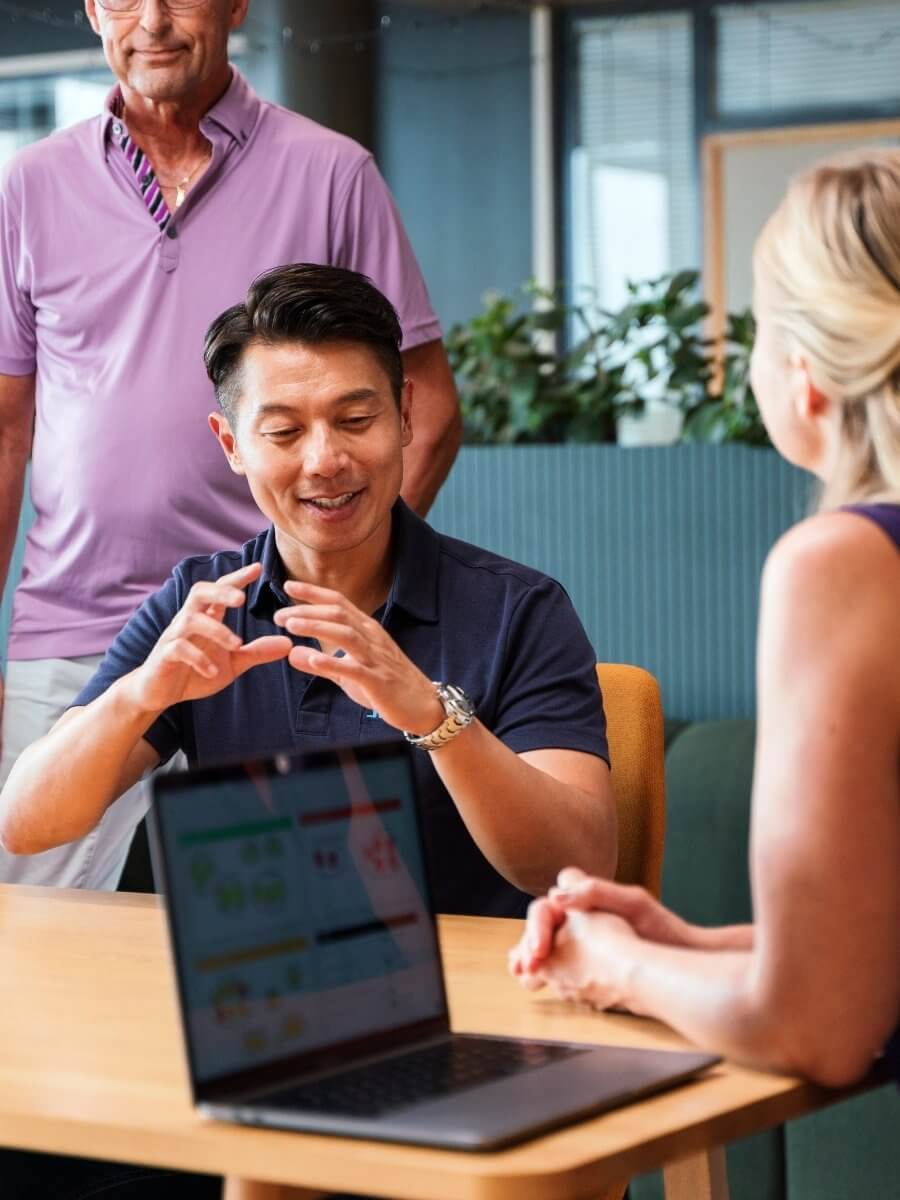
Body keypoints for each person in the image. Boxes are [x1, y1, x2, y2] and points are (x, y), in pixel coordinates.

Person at [0, 0, 461, 890]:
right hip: (69, 639)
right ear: (94, 9)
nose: (156, 19)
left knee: (281, 948)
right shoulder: (30, 185)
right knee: (36, 945)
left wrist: (340, 580)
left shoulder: (332, 173)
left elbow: (428, 406)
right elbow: (6, 429)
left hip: (267, 640)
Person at [0, 262, 616, 918]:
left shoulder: (517, 611)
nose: (324, 459)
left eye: (354, 419)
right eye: (285, 432)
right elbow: (27, 823)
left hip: (472, 1003)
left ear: (405, 414)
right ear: (232, 443)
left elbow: (576, 865)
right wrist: (138, 696)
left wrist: (436, 719)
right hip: (267, 997)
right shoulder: (203, 602)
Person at [510, 149, 900, 1089]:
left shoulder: (844, 565)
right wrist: (695, 944)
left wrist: (621, 967)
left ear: (807, 373)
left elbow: (815, 1027)